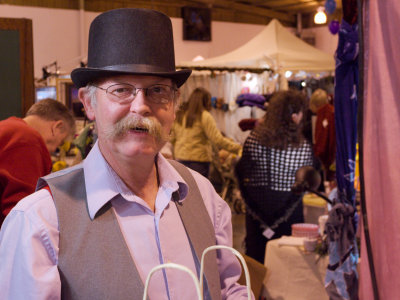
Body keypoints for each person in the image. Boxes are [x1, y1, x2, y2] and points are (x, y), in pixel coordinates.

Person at [0, 8, 253, 300]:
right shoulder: (39, 221)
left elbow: (230, 288)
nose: (141, 106)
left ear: (175, 104)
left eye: (157, 90)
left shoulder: (204, 196)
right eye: (121, 90)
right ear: (89, 104)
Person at [235, 90, 314, 263]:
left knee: (257, 264)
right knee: (287, 264)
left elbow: (243, 176)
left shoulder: (254, 139)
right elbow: (303, 184)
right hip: (289, 213)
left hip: (257, 211)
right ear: (294, 115)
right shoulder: (302, 146)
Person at [0, 98, 75, 226]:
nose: (53, 150)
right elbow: (20, 212)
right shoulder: (27, 139)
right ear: (57, 127)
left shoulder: (8, 127)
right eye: (60, 143)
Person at [171, 87, 242, 178]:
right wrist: (237, 148)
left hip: (180, 159)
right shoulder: (204, 116)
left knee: (184, 191)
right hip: (199, 161)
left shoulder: (180, 115)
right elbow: (218, 140)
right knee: (199, 191)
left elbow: (172, 138)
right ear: (205, 101)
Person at [309, 88, 336, 182]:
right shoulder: (332, 111)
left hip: (328, 158)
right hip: (334, 156)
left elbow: (322, 139)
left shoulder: (323, 114)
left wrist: (318, 155)